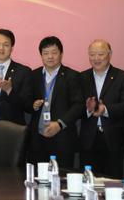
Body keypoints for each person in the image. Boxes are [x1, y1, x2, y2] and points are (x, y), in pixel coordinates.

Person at [79, 39, 124, 178]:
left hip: (114, 139)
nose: (96, 58)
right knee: (88, 182)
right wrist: (88, 109)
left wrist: (105, 109)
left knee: (113, 183)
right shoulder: (81, 77)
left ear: (110, 54)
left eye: (100, 54)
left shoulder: (123, 77)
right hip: (88, 141)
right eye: (92, 54)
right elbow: (75, 106)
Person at [26, 36, 83, 169]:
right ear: (41, 55)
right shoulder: (34, 75)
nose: (50, 57)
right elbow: (26, 100)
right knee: (38, 177)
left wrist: (60, 124)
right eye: (46, 53)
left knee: (61, 177)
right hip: (37, 139)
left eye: (54, 52)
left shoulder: (72, 76)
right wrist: (33, 105)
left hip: (63, 138)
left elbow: (79, 105)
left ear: (61, 54)